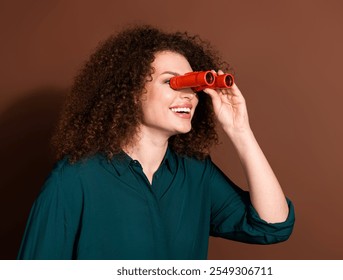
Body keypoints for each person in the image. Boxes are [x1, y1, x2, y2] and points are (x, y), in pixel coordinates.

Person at [17, 25, 295, 260]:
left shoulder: (196, 173)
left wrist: (240, 131)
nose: (189, 96)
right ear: (131, 93)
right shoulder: (75, 179)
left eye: (194, 87)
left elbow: (272, 227)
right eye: (171, 83)